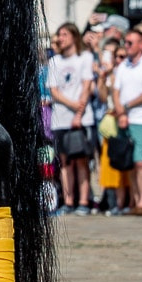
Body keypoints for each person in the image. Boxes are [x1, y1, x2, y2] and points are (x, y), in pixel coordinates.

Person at [44, 23, 95, 214]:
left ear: (74, 36)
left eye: (64, 34)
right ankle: (69, 200)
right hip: (61, 118)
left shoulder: (85, 58)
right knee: (64, 162)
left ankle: (83, 201)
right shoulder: (54, 61)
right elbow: (54, 91)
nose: (60, 38)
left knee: (81, 160)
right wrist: (72, 105)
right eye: (59, 34)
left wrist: (79, 113)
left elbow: (86, 86)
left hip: (81, 119)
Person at [111, 26, 142, 215]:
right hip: (124, 118)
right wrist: (121, 112)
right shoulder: (124, 65)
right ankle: (135, 201)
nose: (127, 46)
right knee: (129, 163)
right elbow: (115, 91)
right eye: (126, 42)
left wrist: (126, 106)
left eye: (130, 42)